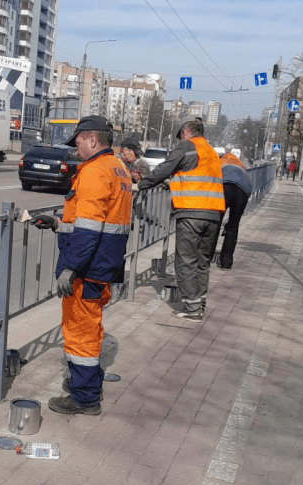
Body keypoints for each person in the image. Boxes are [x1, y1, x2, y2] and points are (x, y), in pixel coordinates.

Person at [30, 115, 132, 415]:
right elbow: (95, 223)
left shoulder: (95, 171)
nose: (75, 144)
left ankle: (84, 397)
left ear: (92, 139)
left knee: (80, 330)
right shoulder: (118, 168)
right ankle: (85, 382)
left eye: (78, 138)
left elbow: (88, 231)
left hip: (88, 268)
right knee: (92, 327)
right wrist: (58, 223)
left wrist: (70, 268)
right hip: (104, 263)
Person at [137, 117, 225, 320]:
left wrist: (144, 183)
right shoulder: (210, 152)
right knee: (203, 262)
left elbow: (165, 168)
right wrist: (174, 184)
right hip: (214, 213)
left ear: (186, 132)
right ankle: (200, 302)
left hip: (192, 212)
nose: (179, 140)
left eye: (180, 136)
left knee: (185, 261)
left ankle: (192, 309)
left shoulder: (187, 146)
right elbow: (194, 176)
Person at [217, 148, 253, 270]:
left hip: (225, 186)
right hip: (243, 190)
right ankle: (226, 262)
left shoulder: (220, 161)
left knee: (216, 223)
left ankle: (207, 258)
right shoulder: (239, 164)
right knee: (234, 225)